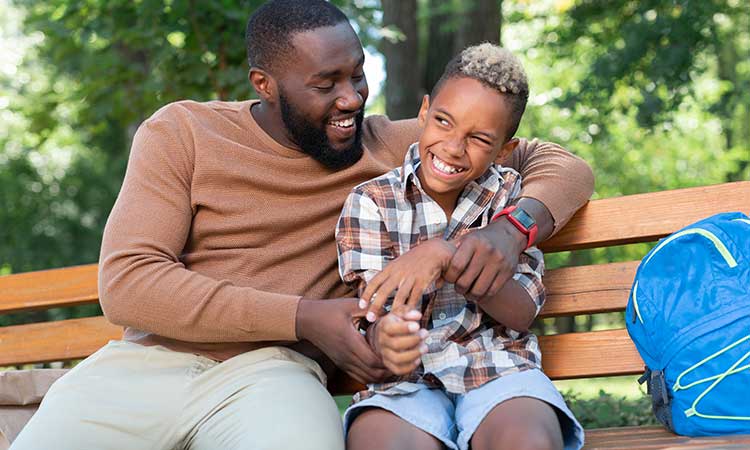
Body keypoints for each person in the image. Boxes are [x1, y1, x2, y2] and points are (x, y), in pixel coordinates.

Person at [9, 1, 593, 449]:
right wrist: (305, 317)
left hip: (275, 374)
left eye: (357, 76)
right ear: (264, 84)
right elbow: (129, 283)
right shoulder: (184, 133)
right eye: (325, 84)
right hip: (143, 368)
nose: (351, 99)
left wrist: (512, 227)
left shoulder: (396, 144)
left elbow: (562, 165)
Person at [337, 44, 583, 450]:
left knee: (528, 440)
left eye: (478, 139)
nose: (453, 147)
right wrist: (387, 337)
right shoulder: (372, 202)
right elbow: (372, 311)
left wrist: (447, 255)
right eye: (443, 122)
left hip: (499, 367)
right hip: (406, 379)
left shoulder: (509, 201)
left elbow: (521, 313)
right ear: (424, 111)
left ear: (505, 149)